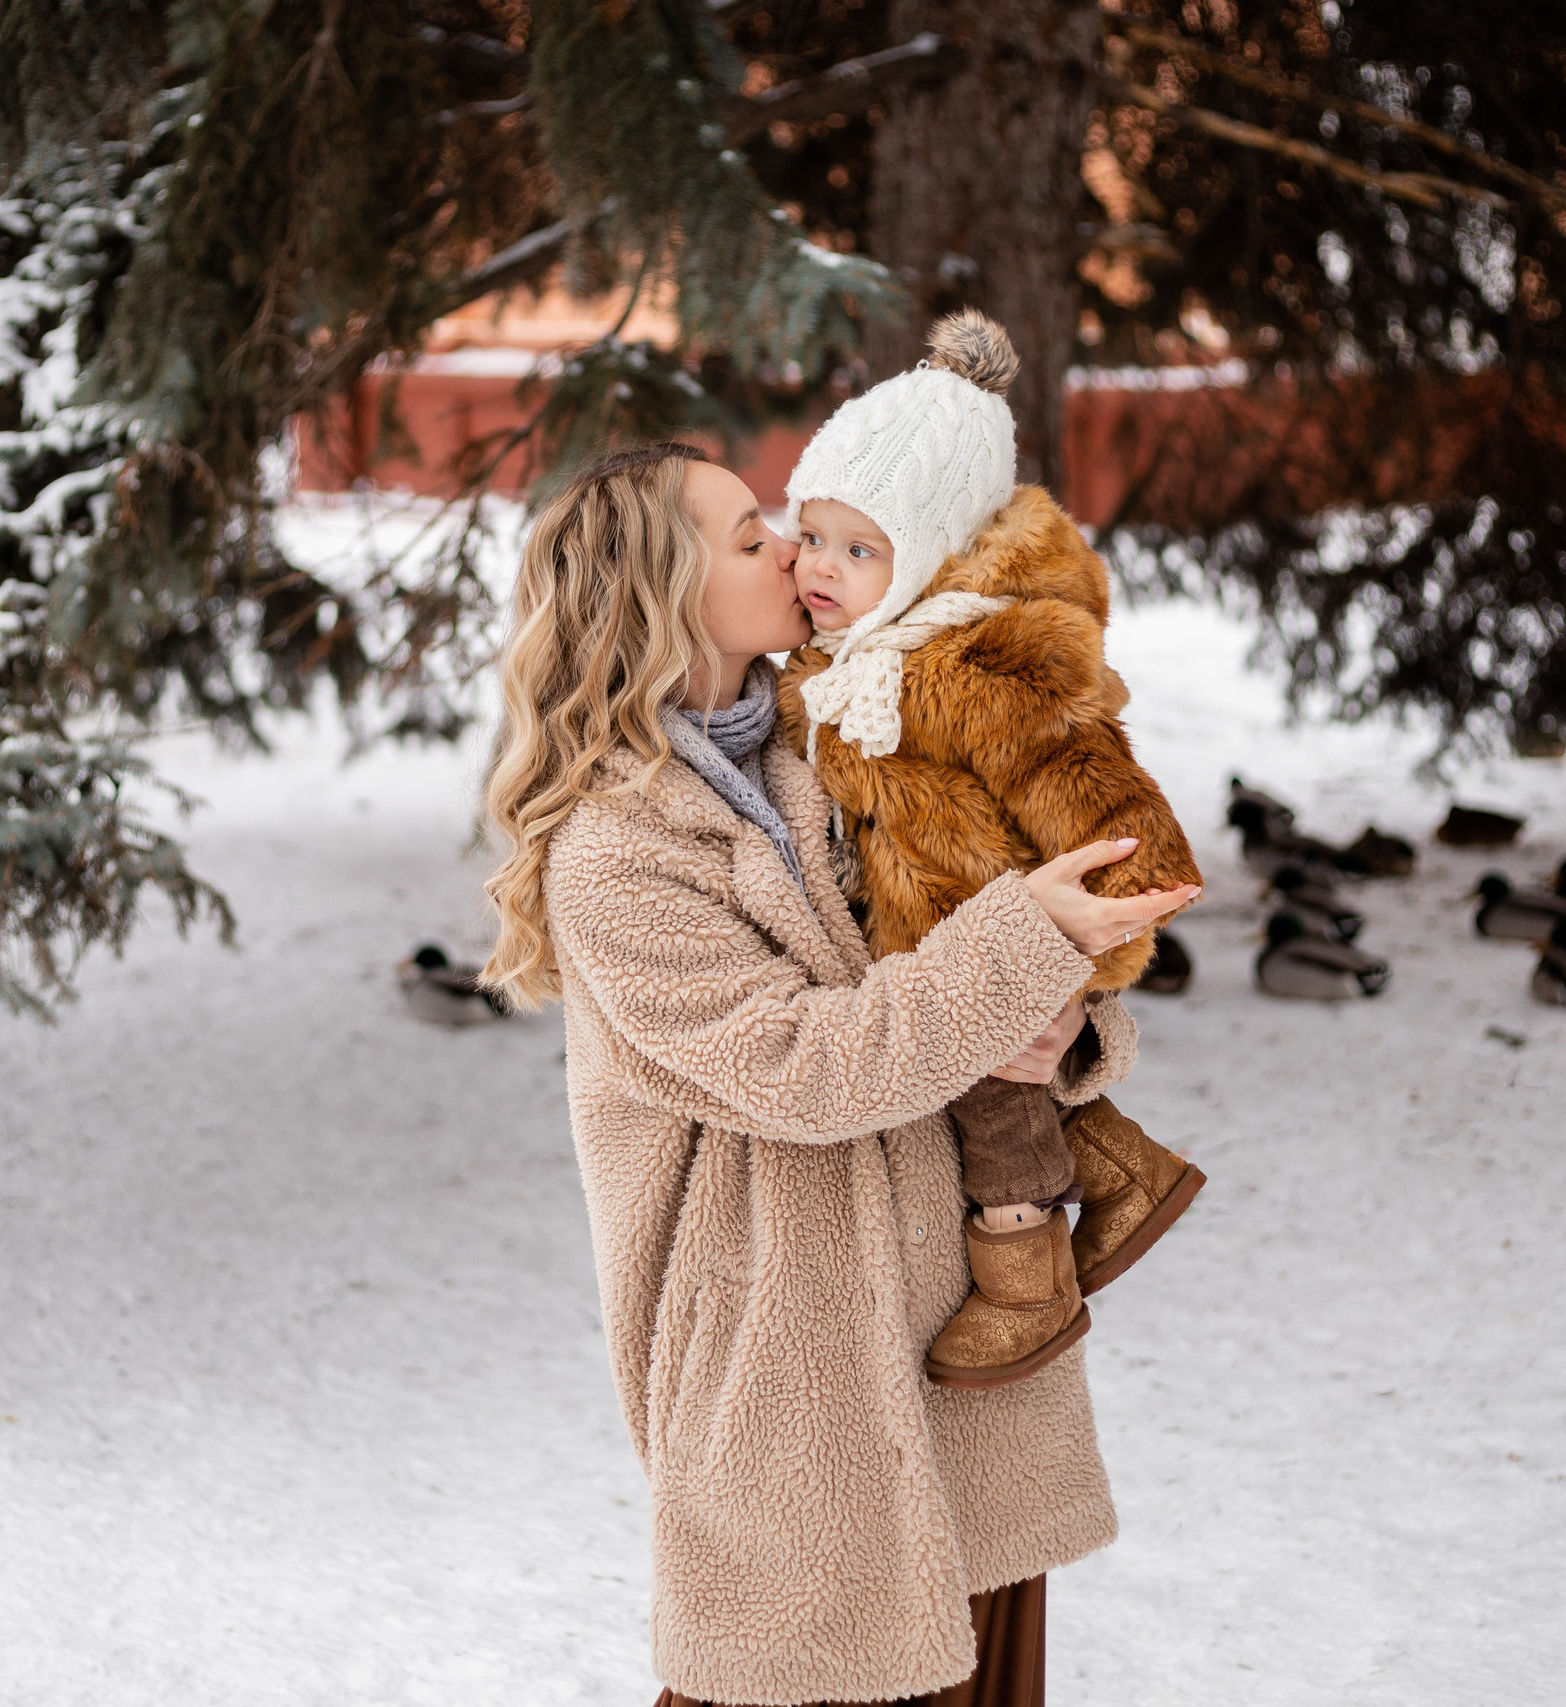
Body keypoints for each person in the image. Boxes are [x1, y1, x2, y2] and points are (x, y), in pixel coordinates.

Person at [480, 442, 1198, 1706]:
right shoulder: (615, 849)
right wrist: (1020, 948)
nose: (791, 551)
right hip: (789, 1377)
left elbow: (964, 948)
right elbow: (801, 1068)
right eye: (748, 535)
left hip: (959, 1353)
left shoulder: (837, 743)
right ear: (661, 590)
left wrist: (1062, 1033)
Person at [778, 311, 1208, 1390]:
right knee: (997, 1085)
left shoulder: (977, 664)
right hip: (928, 946)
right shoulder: (843, 659)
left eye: (861, 548)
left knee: (996, 1108)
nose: (821, 568)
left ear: (928, 556)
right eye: (813, 535)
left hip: (986, 942)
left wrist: (1076, 974)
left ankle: (1025, 1283)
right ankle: (1123, 1172)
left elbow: (1113, 819)